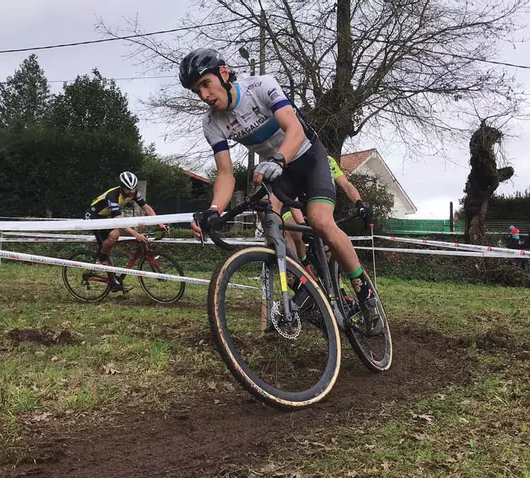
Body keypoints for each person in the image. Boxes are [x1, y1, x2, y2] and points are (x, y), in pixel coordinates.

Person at [179, 48, 381, 333]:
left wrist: (278, 160)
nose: (203, 95)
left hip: (308, 158)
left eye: (205, 84)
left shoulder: (261, 86)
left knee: (321, 222)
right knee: (267, 215)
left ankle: (364, 292)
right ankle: (304, 277)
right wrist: (214, 210)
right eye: (196, 90)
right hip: (279, 169)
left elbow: (294, 129)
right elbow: (225, 174)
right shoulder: (212, 123)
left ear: (223, 74)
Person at [85, 171, 168, 291]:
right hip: (94, 216)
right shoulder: (112, 195)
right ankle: (101, 259)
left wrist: (160, 223)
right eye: (128, 189)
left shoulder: (134, 192)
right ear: (121, 187)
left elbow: (146, 207)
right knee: (114, 235)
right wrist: (136, 234)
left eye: (133, 188)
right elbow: (119, 220)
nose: (131, 191)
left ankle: (113, 280)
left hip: (106, 216)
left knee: (113, 238)